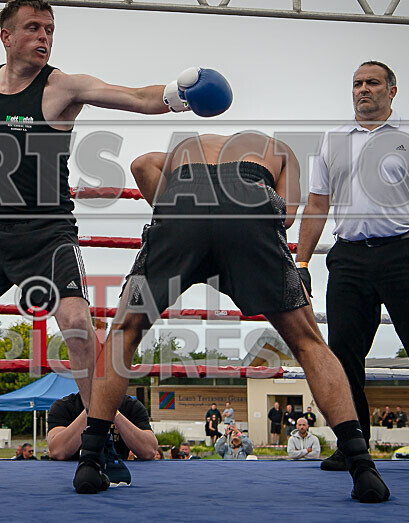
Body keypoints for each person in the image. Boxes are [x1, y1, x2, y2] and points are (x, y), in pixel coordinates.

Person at [0, 0, 231, 479]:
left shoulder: (61, 87)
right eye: (32, 28)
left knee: (76, 324)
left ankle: (99, 439)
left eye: (49, 29)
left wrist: (180, 92)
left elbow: (134, 97)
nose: (43, 36)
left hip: (47, 231)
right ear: (6, 36)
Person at [73, 132, 389, 502]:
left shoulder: (187, 146)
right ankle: (362, 465)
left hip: (182, 205)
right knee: (308, 341)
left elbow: (141, 164)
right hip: (248, 206)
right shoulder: (280, 151)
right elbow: (285, 217)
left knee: (125, 331)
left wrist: (176, 210)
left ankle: (90, 458)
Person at [295, 60, 409, 476]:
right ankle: (352, 446)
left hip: (405, 255)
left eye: (372, 83)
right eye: (357, 83)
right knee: (342, 356)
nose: (363, 89)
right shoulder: (332, 141)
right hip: (349, 258)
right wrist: (301, 261)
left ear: (391, 91)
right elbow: (317, 204)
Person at [48, 391, 157, 486]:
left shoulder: (131, 406)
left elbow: (148, 451)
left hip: (117, 477)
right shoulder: (64, 406)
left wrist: (112, 410)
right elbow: (58, 451)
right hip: (72, 477)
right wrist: (93, 407)